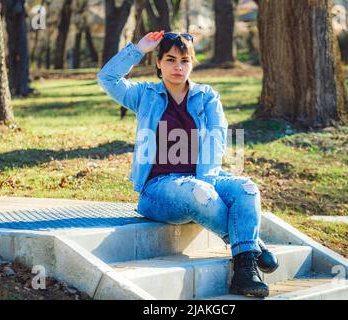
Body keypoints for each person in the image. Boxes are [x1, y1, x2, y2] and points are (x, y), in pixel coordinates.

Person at [97, 31, 279, 298]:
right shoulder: (144, 95)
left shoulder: (207, 97)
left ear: (192, 63)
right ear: (158, 62)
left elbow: (217, 138)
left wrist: (206, 181)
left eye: (185, 60)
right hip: (158, 189)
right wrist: (138, 48)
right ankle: (251, 248)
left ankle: (244, 272)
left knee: (247, 189)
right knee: (199, 192)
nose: (178, 67)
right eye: (170, 59)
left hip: (203, 177)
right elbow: (107, 78)